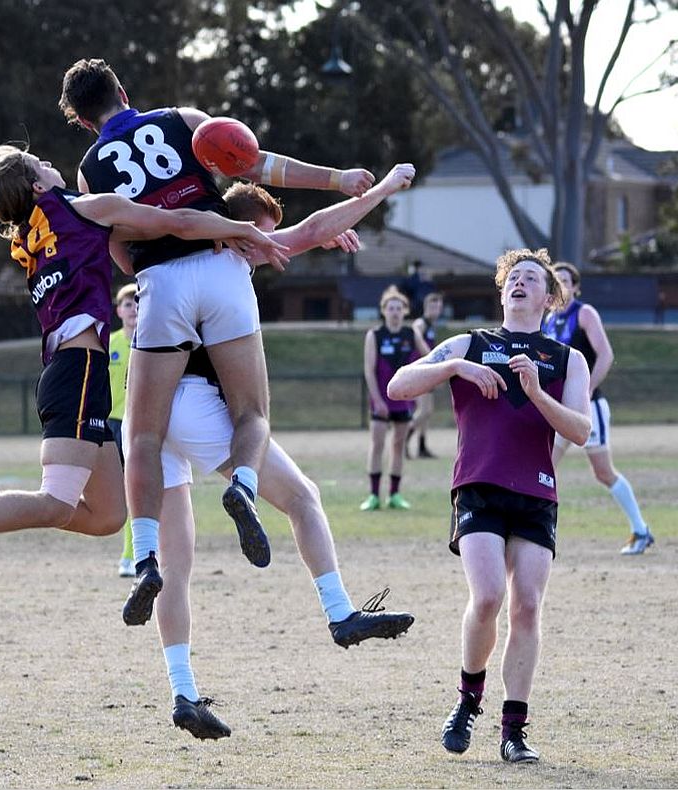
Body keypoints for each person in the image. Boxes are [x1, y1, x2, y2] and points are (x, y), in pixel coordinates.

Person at [0, 145, 287, 604]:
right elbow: (178, 223)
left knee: (106, 516)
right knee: (56, 502)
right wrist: (241, 228)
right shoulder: (84, 209)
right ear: (39, 185)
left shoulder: (30, 234)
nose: (48, 161)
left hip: (78, 375)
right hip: (76, 372)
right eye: (40, 163)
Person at [59, 58, 372, 619]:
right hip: (221, 264)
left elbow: (120, 252)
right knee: (255, 415)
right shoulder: (182, 119)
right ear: (124, 90)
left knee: (143, 435)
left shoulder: (87, 170)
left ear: (82, 121)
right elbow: (257, 163)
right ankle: (247, 489)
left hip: (161, 281)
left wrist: (154, 266)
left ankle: (146, 557)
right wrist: (338, 179)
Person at [141, 166, 419, 740]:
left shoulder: (170, 255)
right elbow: (314, 226)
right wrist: (384, 188)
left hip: (147, 415)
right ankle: (339, 612)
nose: (268, 249)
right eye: (261, 236)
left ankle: (183, 692)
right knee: (301, 496)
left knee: (176, 568)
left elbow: (310, 231)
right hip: (194, 408)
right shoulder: (226, 265)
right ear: (236, 231)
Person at [387, 248, 592, 764]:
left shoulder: (568, 359)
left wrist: (536, 393)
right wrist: (455, 365)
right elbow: (398, 385)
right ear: (503, 291)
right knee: (487, 597)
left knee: (527, 604)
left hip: (536, 493)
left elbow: (581, 430)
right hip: (478, 486)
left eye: (532, 280)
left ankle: (514, 731)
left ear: (549, 298)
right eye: (513, 278)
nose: (521, 284)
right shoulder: (470, 343)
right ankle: (467, 701)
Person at [543, 263, 655, 555]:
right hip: (558, 409)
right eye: (556, 280)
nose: (561, 285)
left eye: (566, 280)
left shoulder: (584, 313)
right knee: (543, 469)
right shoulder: (547, 319)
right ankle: (538, 534)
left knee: (603, 473)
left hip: (586, 408)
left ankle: (640, 530)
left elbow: (605, 355)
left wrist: (587, 389)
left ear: (576, 287)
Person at [360, 287, 430, 511]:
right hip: (381, 401)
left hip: (404, 400)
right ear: (383, 311)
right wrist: (377, 400)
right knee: (377, 444)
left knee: (398, 446)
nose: (395, 312)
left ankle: (394, 495)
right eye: (391, 308)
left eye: (399, 308)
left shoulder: (411, 334)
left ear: (405, 311)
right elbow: (369, 371)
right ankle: (373, 495)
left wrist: (419, 385)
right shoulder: (375, 335)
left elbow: (430, 357)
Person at [108, 283, 139, 577]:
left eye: (138, 303)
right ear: (118, 310)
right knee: (117, 495)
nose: (134, 309)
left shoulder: (151, 342)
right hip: (111, 424)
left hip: (140, 424)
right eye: (128, 304)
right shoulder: (110, 343)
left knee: (137, 491)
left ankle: (132, 555)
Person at [407, 290, 444, 459]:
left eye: (438, 306)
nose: (435, 309)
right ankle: (403, 439)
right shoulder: (421, 323)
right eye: (432, 306)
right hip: (420, 371)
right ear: (426, 307)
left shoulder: (431, 326)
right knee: (424, 411)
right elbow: (413, 331)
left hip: (427, 372)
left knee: (427, 412)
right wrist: (430, 356)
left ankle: (421, 447)